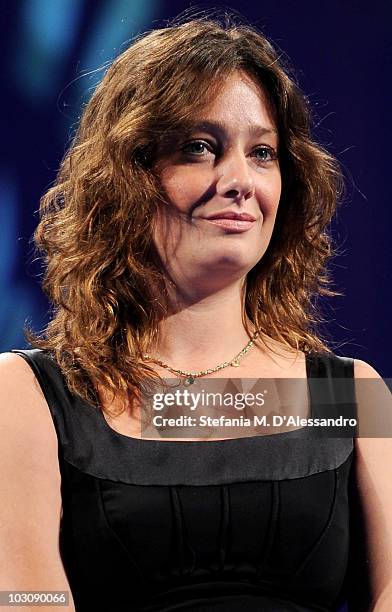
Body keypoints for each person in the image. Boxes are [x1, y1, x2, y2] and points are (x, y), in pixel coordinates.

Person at [1, 11, 391, 612]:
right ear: (127, 178)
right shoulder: (26, 397)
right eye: (200, 148)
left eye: (262, 152)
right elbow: (28, 599)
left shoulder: (352, 396)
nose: (239, 180)